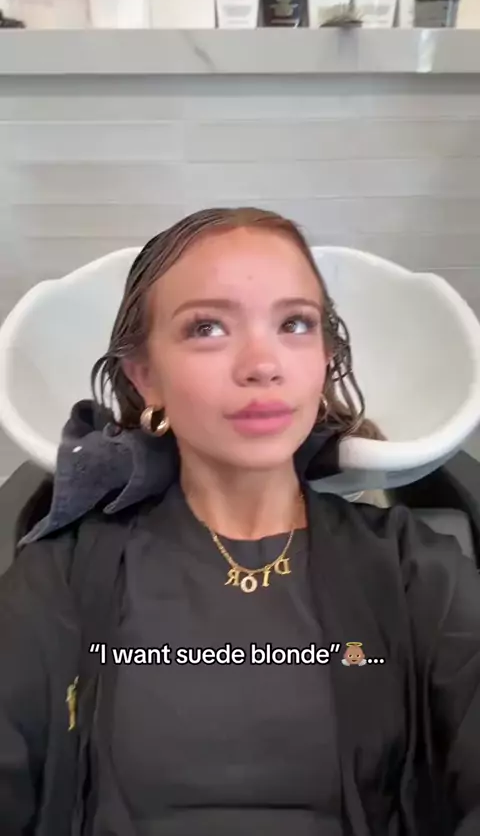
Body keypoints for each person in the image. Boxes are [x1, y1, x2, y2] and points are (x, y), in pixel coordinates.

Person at [0, 206, 479, 836]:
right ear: (146, 376)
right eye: (207, 327)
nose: (262, 363)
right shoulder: (61, 581)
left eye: (295, 324)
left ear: (324, 357)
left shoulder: (415, 574)